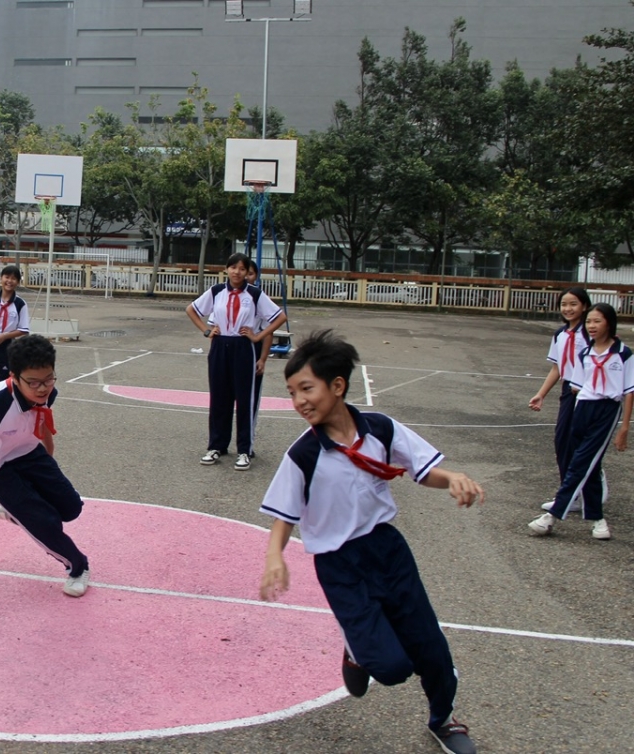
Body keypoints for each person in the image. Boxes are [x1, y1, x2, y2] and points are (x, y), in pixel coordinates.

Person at [258, 329, 484, 754]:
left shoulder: (380, 429)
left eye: (306, 388)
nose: (298, 401)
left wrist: (452, 477)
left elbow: (422, 469)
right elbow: (282, 515)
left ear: (338, 386)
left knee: (430, 646)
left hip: (388, 550)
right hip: (340, 566)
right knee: (393, 667)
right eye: (291, 393)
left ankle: (443, 720)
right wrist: (275, 556)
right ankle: (358, 652)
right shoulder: (303, 455)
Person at [0, 334, 90, 597]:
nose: (42, 388)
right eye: (33, 382)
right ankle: (77, 566)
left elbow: (43, 418)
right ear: (14, 375)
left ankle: (14, 512)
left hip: (27, 450)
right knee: (43, 521)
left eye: (48, 379)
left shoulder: (46, 390)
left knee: (71, 508)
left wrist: (49, 457)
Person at [529, 303, 633, 540]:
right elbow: (576, 387)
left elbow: (629, 392)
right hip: (583, 407)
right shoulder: (584, 354)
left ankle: (552, 516)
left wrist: (625, 427)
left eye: (597, 321)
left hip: (606, 410)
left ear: (609, 322)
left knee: (580, 463)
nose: (592, 326)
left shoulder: (623, 354)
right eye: (589, 322)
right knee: (588, 464)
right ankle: (598, 520)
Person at [186, 252, 285, 470]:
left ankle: (244, 450)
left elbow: (279, 317)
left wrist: (257, 337)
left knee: (244, 399)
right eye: (233, 268)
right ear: (227, 269)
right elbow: (191, 310)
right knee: (219, 397)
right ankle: (216, 446)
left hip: (243, 347)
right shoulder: (216, 291)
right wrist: (206, 331)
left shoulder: (255, 294)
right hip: (220, 345)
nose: (237, 272)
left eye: (242, 269)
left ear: (247, 272)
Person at [528, 287, 592, 515]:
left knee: (583, 442)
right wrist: (541, 393)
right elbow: (557, 367)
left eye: (573, 304)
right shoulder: (561, 335)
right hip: (569, 390)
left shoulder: (590, 332)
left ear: (584, 306)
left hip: (590, 392)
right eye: (564, 304)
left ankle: (591, 486)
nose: (568, 308)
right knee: (562, 441)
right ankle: (571, 493)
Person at [244, 259, 287, 459]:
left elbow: (269, 330)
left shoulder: (258, 298)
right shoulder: (227, 295)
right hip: (231, 348)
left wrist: (262, 359)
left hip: (253, 347)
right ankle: (220, 443)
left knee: (250, 399)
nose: (245, 276)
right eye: (242, 271)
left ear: (256, 277)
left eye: (250, 273)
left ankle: (247, 443)